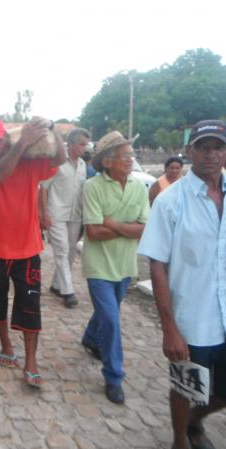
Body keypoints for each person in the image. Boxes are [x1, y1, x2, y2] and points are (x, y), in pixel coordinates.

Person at [138, 120, 226, 449]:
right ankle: (180, 439)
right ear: (190, 152)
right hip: (192, 316)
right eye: (203, 147)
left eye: (217, 147)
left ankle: (196, 421)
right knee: (186, 387)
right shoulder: (170, 201)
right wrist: (169, 328)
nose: (211, 155)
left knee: (220, 391)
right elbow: (157, 264)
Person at [0, 118, 65, 388]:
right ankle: (6, 346)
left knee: (30, 306)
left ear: (7, 139)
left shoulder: (30, 163)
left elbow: (59, 159)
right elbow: (0, 175)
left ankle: (31, 360)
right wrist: (23, 142)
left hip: (27, 248)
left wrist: (53, 130)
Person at [81, 130, 149, 405]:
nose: (130, 159)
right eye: (124, 156)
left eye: (131, 155)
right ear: (107, 161)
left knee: (108, 312)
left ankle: (89, 337)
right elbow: (94, 232)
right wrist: (127, 228)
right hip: (98, 265)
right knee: (111, 318)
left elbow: (144, 228)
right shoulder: (92, 187)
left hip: (125, 265)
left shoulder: (138, 187)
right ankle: (114, 376)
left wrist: (113, 224)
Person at [39, 128, 90, 308]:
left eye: (86, 144)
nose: (85, 148)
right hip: (56, 213)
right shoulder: (56, 163)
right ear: (72, 144)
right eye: (82, 144)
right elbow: (43, 189)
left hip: (75, 215)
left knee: (70, 252)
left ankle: (56, 285)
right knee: (61, 250)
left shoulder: (83, 165)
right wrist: (44, 214)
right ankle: (68, 292)